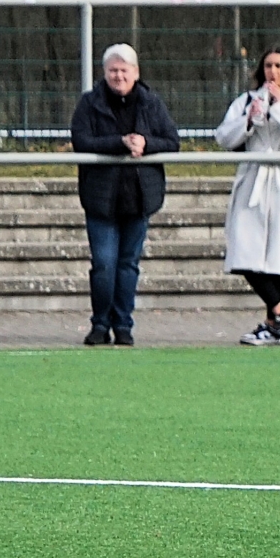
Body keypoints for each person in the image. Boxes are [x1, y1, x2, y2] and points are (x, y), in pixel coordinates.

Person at [68, 43, 181, 346]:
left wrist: (146, 144)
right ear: (104, 73)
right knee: (104, 265)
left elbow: (172, 141)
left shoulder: (151, 103)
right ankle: (100, 324)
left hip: (139, 198)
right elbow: (81, 140)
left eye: (123, 70)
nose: (118, 76)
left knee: (128, 265)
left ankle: (123, 325)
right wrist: (120, 143)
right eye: (113, 70)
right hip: (100, 198)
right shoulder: (89, 103)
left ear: (136, 73)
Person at [216, 46, 280, 346]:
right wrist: (249, 120)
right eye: (268, 66)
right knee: (243, 249)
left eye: (279, 66)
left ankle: (274, 325)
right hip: (252, 178)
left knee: (277, 253)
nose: (273, 71)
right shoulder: (246, 100)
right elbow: (223, 137)